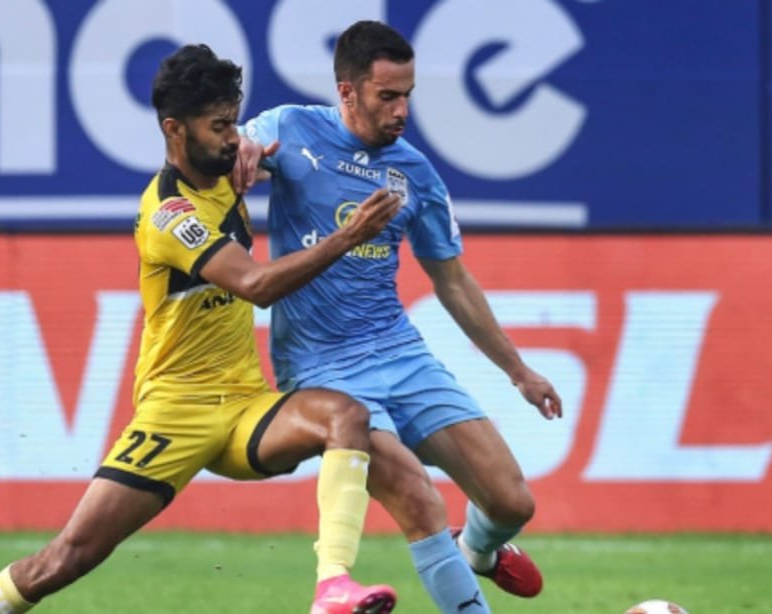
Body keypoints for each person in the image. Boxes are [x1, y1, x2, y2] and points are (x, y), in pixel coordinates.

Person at [0, 44, 403, 614]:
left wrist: (250, 148)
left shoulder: (228, 165)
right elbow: (256, 286)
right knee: (66, 558)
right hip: (175, 412)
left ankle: (332, 588)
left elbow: (277, 153)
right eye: (218, 126)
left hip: (245, 405)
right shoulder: (170, 215)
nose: (230, 136)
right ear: (174, 129)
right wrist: (347, 237)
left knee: (346, 416)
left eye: (233, 122)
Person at [233, 20, 563, 613]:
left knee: (512, 502)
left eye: (408, 94)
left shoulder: (416, 174)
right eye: (388, 95)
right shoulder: (290, 128)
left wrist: (519, 371)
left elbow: (452, 280)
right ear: (348, 91)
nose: (402, 109)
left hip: (399, 353)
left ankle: (479, 552)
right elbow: (229, 153)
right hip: (322, 371)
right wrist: (242, 151)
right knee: (421, 503)